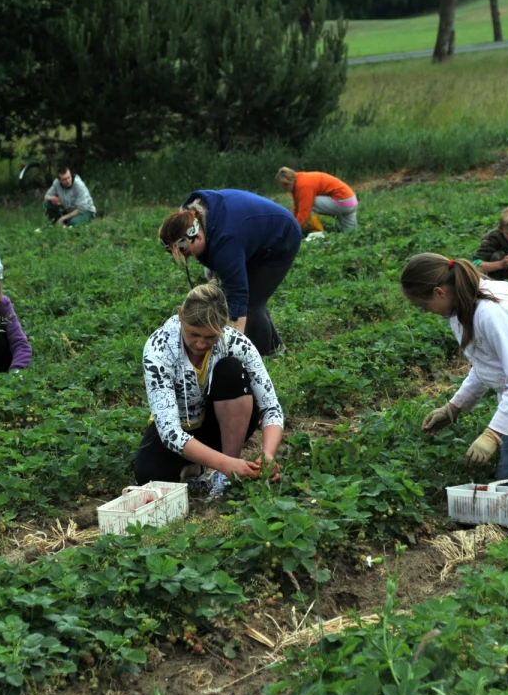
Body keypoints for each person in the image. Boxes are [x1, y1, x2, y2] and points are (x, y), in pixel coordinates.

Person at [402, 254, 508, 489]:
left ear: (439, 292)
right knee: (507, 486)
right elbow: (484, 367)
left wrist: (491, 435)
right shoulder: (459, 313)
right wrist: (454, 407)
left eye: (423, 307)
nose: (426, 311)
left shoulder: (492, 313)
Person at [135, 283, 284, 500]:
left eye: (210, 337)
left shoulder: (236, 343)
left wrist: (269, 454)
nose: (201, 343)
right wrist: (225, 464)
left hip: (221, 422)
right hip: (180, 425)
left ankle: (225, 476)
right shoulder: (158, 349)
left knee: (232, 370)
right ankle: (200, 468)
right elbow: (169, 432)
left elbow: (271, 408)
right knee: (148, 477)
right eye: (194, 334)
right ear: (181, 315)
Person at [158, 189, 301, 356]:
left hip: (281, 236)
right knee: (247, 296)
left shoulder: (226, 241)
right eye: (173, 250)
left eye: (182, 247)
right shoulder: (188, 217)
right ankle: (276, 348)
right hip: (249, 234)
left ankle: (264, 356)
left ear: (196, 233)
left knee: (251, 304)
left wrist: (232, 344)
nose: (183, 254)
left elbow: (238, 294)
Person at [275, 167, 359, 234]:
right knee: (351, 234)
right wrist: (293, 224)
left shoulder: (304, 185)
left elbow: (304, 212)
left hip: (342, 202)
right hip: (351, 201)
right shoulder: (298, 181)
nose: (285, 189)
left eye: (285, 186)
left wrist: (292, 232)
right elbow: (297, 207)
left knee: (310, 204)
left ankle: (318, 233)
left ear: (291, 181)